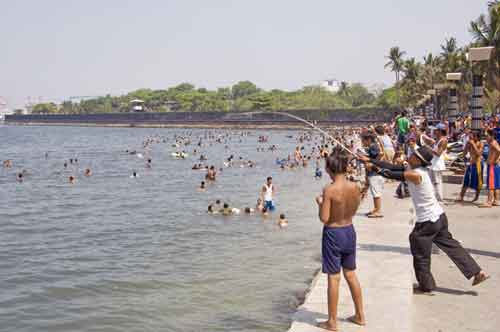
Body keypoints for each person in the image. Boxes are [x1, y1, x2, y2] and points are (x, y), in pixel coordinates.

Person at [358, 146, 489, 293]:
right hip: (439, 216)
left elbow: (391, 174)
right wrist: (370, 160)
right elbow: (392, 166)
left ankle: (426, 285)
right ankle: (477, 272)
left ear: (418, 160)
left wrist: (374, 169)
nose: (410, 156)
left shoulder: (416, 174)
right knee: (452, 246)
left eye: (413, 155)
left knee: (419, 249)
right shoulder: (416, 169)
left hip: (428, 221)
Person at [315, 145, 366, 331]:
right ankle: (360, 315)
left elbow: (324, 218)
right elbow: (353, 208)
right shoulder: (355, 187)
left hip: (333, 234)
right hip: (349, 230)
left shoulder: (329, 190)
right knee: (351, 274)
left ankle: (332, 321)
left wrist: (320, 203)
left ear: (329, 169)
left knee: (334, 278)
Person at [361, 133, 384, 218]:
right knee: (374, 192)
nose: (362, 142)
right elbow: (373, 156)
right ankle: (375, 208)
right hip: (373, 173)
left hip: (375, 173)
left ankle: (378, 211)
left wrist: (371, 163)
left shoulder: (373, 146)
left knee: (376, 192)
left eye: (363, 141)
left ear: (369, 140)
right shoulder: (372, 147)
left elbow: (380, 155)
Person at [457, 131, 483, 203]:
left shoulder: (480, 143)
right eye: (472, 136)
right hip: (470, 164)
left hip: (478, 164)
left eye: (474, 136)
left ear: (478, 137)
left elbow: (478, 153)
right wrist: (466, 146)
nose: (472, 137)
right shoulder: (470, 144)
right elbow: (464, 154)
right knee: (466, 180)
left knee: (478, 182)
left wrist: (473, 144)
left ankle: (476, 196)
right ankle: (461, 196)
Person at [480, 129, 500, 207]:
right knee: (496, 184)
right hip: (495, 166)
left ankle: (489, 202)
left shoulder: (493, 143)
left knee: (491, 184)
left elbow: (499, 151)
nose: (486, 137)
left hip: (492, 166)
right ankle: (496, 200)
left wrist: (494, 159)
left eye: (487, 136)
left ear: (492, 136)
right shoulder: (493, 142)